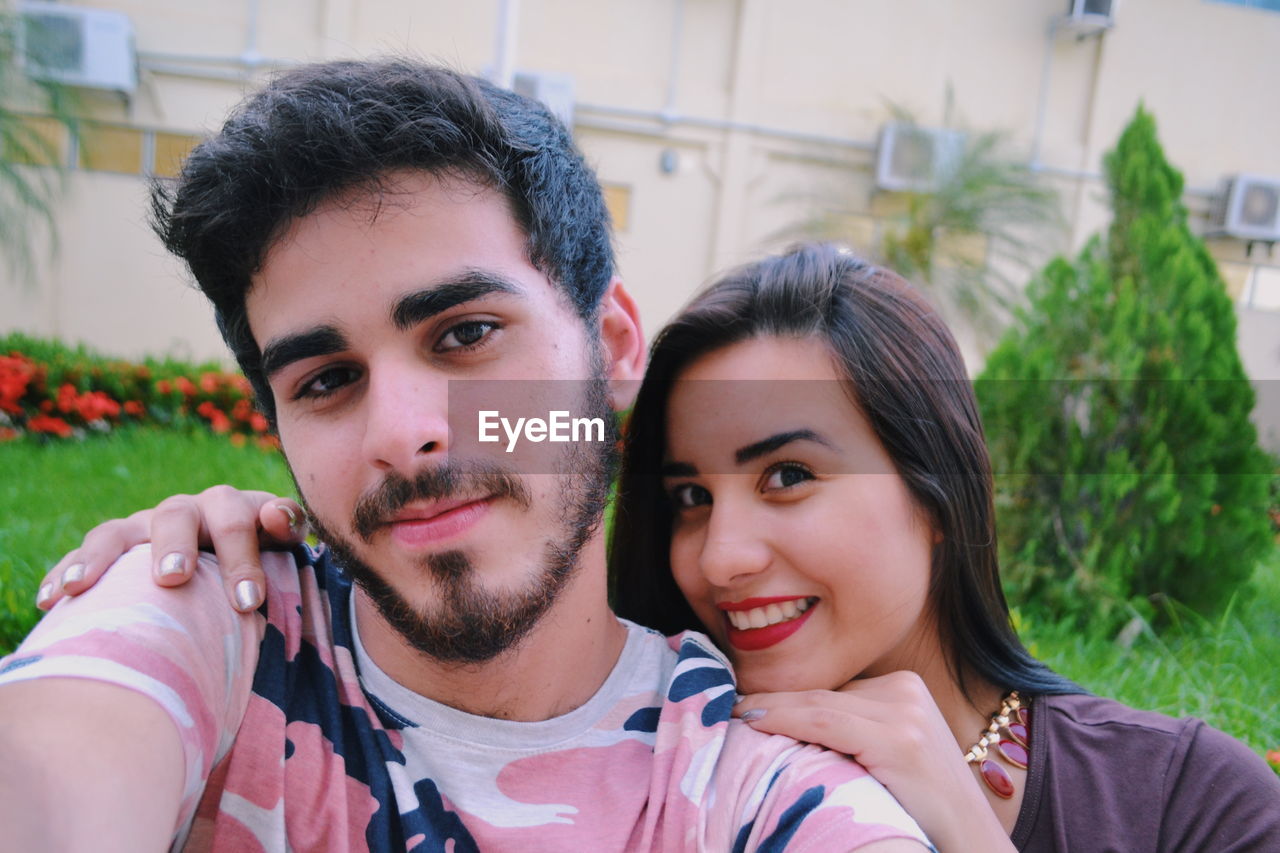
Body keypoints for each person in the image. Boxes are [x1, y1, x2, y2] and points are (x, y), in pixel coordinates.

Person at [58, 244, 1280, 850]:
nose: (723, 554)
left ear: (939, 487)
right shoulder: (665, 758)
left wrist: (962, 830)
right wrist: (259, 526)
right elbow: (494, 439)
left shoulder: (1187, 801)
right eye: (686, 495)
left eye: (787, 475)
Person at [0, 62, 932, 852]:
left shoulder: (756, 784)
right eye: (325, 380)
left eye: (467, 333)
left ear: (610, 347)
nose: (401, 433)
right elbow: (55, 764)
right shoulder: (215, 625)